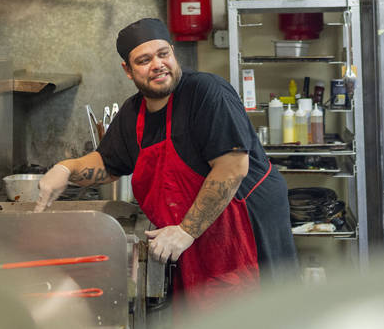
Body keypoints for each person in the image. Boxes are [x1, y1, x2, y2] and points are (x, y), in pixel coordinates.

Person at [34, 17, 297, 307]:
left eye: (163, 54)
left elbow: (232, 168)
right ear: (128, 71)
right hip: (195, 236)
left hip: (244, 229)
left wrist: (186, 231)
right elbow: (108, 162)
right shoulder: (134, 113)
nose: (158, 64)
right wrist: (66, 168)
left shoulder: (207, 93)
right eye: (144, 60)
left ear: (173, 53)